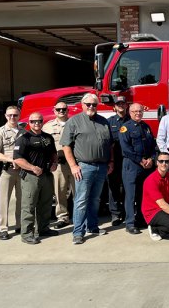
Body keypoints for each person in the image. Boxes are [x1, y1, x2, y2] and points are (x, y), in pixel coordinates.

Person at [61, 93, 114, 245]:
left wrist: (110, 161)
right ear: (82, 105)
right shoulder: (74, 121)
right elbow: (66, 146)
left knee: (95, 199)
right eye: (88, 104)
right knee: (81, 200)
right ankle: (78, 232)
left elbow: (109, 144)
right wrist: (73, 166)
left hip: (102, 166)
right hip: (84, 167)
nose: (91, 107)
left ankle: (92, 227)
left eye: (94, 105)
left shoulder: (104, 122)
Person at [13, 112, 59, 245]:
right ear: (29, 123)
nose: (36, 123)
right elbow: (17, 158)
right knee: (29, 205)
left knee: (45, 203)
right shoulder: (24, 138)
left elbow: (53, 153)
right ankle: (27, 233)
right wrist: (32, 168)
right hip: (31, 176)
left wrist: (54, 163)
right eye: (33, 121)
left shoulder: (48, 137)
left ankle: (43, 229)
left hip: (46, 175)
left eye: (39, 121)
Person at [119, 103, 157, 235]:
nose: (138, 114)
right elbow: (126, 149)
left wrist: (152, 159)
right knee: (131, 195)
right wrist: (141, 160)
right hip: (132, 165)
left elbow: (153, 145)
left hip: (146, 166)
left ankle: (141, 219)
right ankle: (130, 223)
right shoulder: (125, 128)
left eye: (140, 111)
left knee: (143, 194)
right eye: (135, 111)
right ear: (130, 113)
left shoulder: (146, 127)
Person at [0, 105, 23, 240]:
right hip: (7, 170)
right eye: (10, 115)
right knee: (4, 200)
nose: (12, 117)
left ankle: (21, 224)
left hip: (22, 171)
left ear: (19, 116)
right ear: (5, 116)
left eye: (15, 115)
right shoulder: (1, 132)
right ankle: (3, 228)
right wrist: (9, 159)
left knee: (22, 200)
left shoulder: (24, 131)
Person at [42, 102, 75, 229]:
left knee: (78, 192)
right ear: (54, 110)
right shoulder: (47, 127)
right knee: (59, 192)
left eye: (64, 109)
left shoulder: (75, 123)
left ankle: (79, 216)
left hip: (74, 163)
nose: (61, 111)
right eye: (58, 109)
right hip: (58, 164)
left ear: (68, 110)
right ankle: (63, 217)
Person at [106, 96, 130, 226]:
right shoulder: (109, 122)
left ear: (127, 105)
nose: (121, 105)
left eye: (123, 103)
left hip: (128, 160)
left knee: (128, 187)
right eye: (118, 104)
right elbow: (107, 143)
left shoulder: (132, 120)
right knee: (113, 187)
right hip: (114, 160)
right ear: (114, 107)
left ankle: (128, 213)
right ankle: (115, 214)